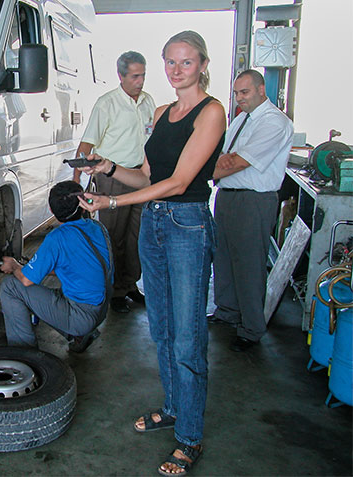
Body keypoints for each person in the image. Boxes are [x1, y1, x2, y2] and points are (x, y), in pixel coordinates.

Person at [77, 31, 225, 476]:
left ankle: (190, 437)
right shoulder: (160, 112)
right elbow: (146, 176)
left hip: (187, 225)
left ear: (202, 64)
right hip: (157, 225)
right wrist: (108, 169)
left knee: (187, 337)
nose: (176, 70)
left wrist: (113, 202)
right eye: (170, 62)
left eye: (186, 62)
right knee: (161, 329)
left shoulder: (212, 111)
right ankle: (174, 408)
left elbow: (180, 183)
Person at [210, 69, 294, 352]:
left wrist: (193, 172)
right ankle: (227, 312)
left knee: (248, 264)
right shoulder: (241, 119)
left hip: (253, 201)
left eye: (244, 92)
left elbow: (235, 162)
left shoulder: (274, 123)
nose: (239, 98)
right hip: (228, 196)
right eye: (236, 93)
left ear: (261, 90)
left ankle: (251, 328)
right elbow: (222, 154)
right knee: (223, 258)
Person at [73, 51, 156, 313]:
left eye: (143, 75)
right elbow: (87, 142)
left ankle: (130, 285)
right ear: (121, 76)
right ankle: (114, 290)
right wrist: (76, 182)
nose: (140, 81)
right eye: (135, 76)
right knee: (113, 236)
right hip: (112, 177)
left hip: (141, 177)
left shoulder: (148, 102)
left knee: (136, 237)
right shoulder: (106, 103)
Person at [0, 181, 112, 352]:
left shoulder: (57, 237)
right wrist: (31, 266)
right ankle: (80, 335)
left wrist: (15, 266)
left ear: (51, 211)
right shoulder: (97, 227)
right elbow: (78, 269)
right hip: (101, 310)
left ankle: (22, 354)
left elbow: (26, 280)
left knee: (11, 286)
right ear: (82, 206)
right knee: (44, 290)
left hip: (81, 315)